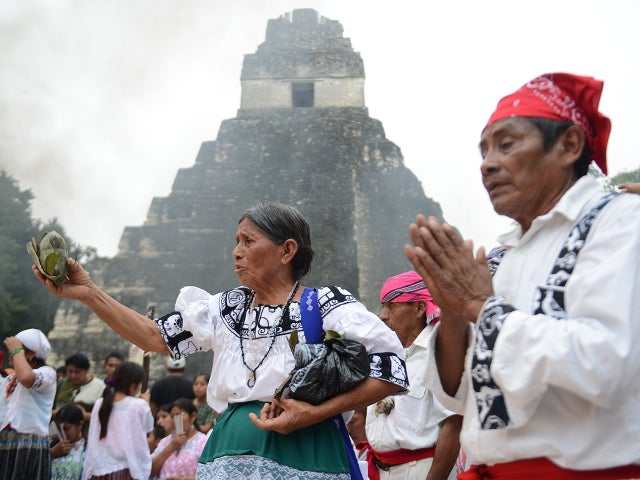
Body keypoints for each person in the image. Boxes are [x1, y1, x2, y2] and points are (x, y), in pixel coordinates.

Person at [34, 202, 408, 479]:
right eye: (236, 241)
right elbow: (154, 336)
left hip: (307, 450)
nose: (236, 251)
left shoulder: (325, 305)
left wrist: (315, 413)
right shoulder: (224, 309)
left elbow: (393, 369)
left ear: (287, 250)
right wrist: (88, 293)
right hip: (227, 453)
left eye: (248, 240)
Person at [405, 73, 640, 479]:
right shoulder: (508, 255)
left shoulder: (621, 223)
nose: (488, 164)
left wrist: (482, 307)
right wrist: (455, 314)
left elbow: (607, 364)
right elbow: (465, 400)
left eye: (507, 144)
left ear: (568, 145)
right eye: (483, 150)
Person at [359, 271, 461, 480]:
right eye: (383, 306)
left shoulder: (440, 352)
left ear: (419, 308)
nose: (383, 315)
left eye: (392, 306)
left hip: (421, 470)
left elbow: (454, 424)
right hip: (379, 470)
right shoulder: (382, 354)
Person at [82, 361, 154, 480]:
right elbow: (148, 431)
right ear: (133, 386)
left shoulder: (100, 403)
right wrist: (145, 402)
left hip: (98, 471)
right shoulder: (138, 405)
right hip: (126, 471)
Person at [0, 328, 56, 479]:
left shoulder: (47, 373)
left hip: (30, 446)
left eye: (17, 351)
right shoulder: (9, 380)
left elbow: (26, 378)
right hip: (5, 443)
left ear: (32, 354)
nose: (11, 356)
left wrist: (15, 348)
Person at [150, 398, 207, 480]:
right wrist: (171, 446)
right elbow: (150, 471)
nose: (177, 420)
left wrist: (182, 479)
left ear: (193, 416)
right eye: (173, 416)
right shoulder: (166, 442)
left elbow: (210, 475)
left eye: (179, 415)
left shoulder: (203, 442)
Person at [55, 352, 106, 424]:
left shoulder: (99, 387)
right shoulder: (61, 384)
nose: (73, 376)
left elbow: (107, 416)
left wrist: (85, 416)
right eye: (70, 371)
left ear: (87, 370)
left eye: (77, 372)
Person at [50, 403, 86, 480]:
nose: (62, 433)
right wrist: (53, 453)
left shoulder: (88, 448)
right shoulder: (52, 446)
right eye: (59, 429)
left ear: (80, 424)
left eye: (66, 428)